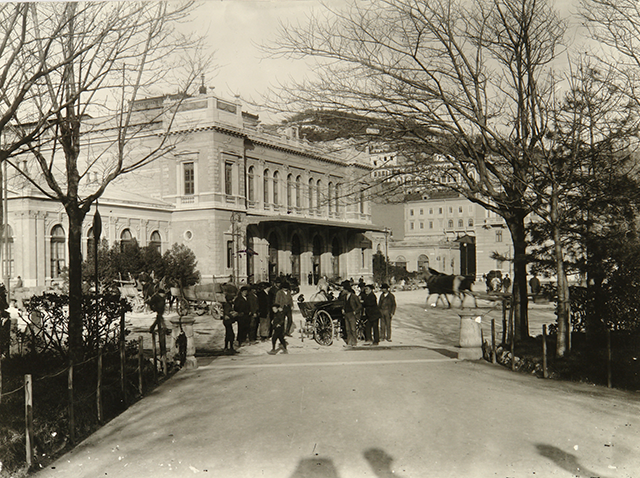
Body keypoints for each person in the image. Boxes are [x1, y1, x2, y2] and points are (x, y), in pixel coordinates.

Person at [339, 280, 362, 347]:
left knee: (353, 329)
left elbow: (359, 305)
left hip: (352, 314)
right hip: (346, 314)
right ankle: (349, 342)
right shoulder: (344, 297)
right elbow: (344, 304)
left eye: (344, 289)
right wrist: (343, 309)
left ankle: (354, 342)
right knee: (348, 329)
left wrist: (355, 311)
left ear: (347, 290)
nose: (343, 291)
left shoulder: (354, 296)